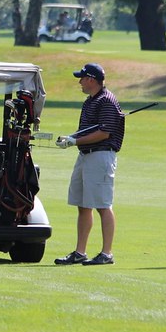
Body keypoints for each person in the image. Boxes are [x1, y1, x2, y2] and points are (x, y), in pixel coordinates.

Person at [54, 62, 124, 266]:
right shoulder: (90, 101)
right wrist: (71, 138)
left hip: (101, 156)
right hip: (85, 156)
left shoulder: (107, 101)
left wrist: (75, 141)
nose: (79, 82)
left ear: (91, 80)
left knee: (103, 205)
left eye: (82, 78)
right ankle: (80, 251)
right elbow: (88, 130)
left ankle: (106, 253)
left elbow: (104, 132)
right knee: (83, 205)